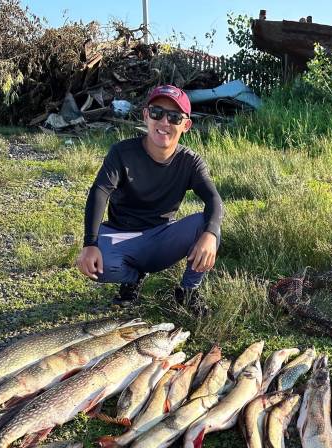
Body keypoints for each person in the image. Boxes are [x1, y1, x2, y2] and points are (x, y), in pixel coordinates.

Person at [76, 84, 223, 315]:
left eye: (174, 117)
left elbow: (214, 199)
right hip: (121, 234)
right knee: (98, 263)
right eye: (157, 113)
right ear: (146, 115)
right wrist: (89, 244)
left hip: (161, 237)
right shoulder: (122, 152)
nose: (164, 122)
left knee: (209, 227)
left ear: (186, 125)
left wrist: (210, 235)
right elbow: (100, 192)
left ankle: (188, 291)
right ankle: (132, 278)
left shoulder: (190, 161)